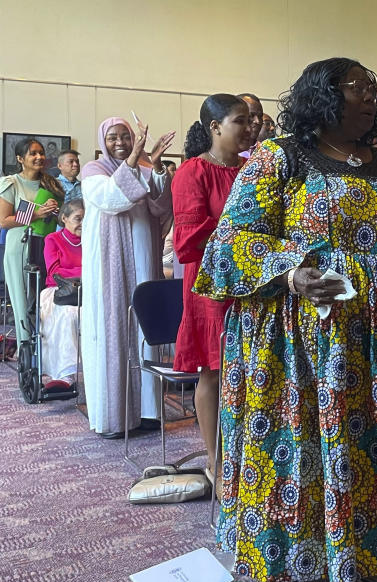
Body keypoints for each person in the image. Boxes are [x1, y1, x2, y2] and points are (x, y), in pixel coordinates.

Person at [195, 58, 377, 582]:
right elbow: (228, 244)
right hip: (297, 339)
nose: (370, 96)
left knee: (372, 443)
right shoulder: (281, 157)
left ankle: (372, 548)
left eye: (373, 87)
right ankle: (279, 565)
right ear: (323, 97)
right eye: (357, 87)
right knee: (295, 446)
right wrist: (291, 270)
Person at [173, 93, 252, 487]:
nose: (250, 128)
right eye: (241, 120)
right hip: (212, 284)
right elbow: (187, 241)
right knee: (214, 373)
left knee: (253, 371)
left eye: (252, 120)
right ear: (215, 127)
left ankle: (250, 456)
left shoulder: (252, 170)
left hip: (252, 282)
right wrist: (244, 239)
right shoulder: (193, 172)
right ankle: (217, 463)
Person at [80, 117, 175, 438]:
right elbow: (111, 199)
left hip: (143, 261)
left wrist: (158, 167)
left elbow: (162, 206)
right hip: (110, 264)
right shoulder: (93, 171)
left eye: (126, 137)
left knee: (144, 329)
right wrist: (136, 157)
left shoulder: (145, 166)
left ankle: (147, 412)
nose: (119, 142)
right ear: (101, 142)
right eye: (113, 138)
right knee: (113, 330)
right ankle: (114, 417)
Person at [0, 138, 63, 350]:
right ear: (20, 159)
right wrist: (36, 213)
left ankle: (46, 351)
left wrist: (56, 212)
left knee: (43, 299)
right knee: (22, 300)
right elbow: (4, 220)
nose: (39, 157)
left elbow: (61, 219)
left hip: (45, 246)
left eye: (41, 153)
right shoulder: (11, 183)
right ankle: (25, 348)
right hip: (19, 246)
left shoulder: (51, 183)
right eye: (33, 153)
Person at [39, 198, 83, 390]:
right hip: (59, 290)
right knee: (68, 315)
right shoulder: (53, 239)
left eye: (86, 219)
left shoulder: (92, 239)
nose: (82, 224)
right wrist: (85, 272)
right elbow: (54, 272)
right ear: (64, 218)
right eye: (78, 218)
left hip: (86, 289)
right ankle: (66, 375)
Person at [238, 92, 264, 157]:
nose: (257, 121)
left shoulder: (267, 152)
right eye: (251, 115)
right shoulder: (220, 152)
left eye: (260, 116)